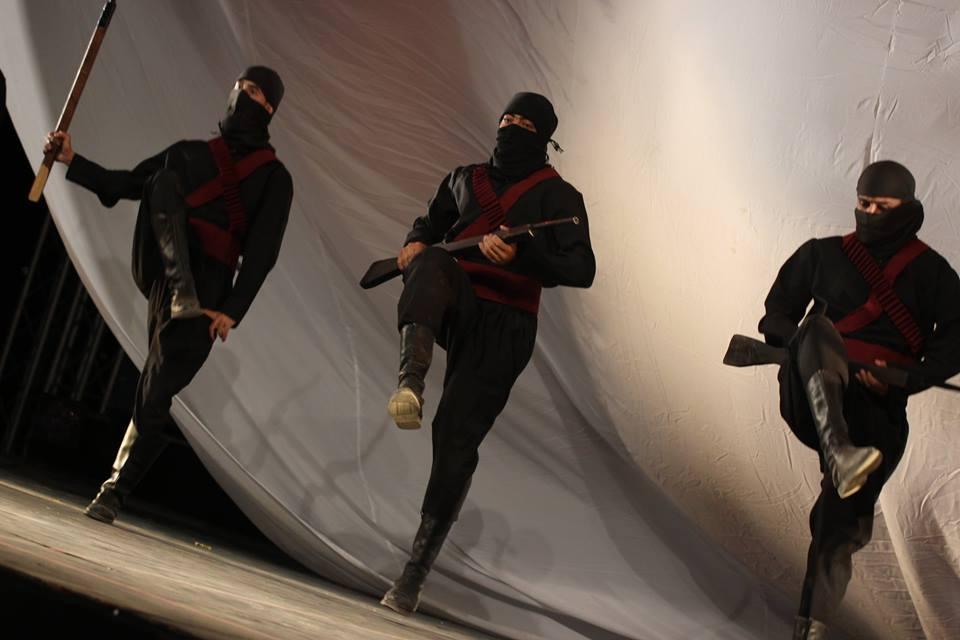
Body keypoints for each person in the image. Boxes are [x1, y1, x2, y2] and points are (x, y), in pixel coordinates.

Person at [44, 66, 293, 524]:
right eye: (240, 85)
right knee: (160, 181)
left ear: (269, 108)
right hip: (163, 270)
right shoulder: (188, 153)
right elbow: (124, 184)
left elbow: (263, 253)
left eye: (254, 90)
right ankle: (181, 291)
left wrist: (232, 311)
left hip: (209, 292)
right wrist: (70, 160)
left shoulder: (274, 178)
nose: (242, 93)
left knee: (156, 385)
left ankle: (115, 489)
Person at [380, 92, 596, 614]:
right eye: (507, 117)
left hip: (507, 324)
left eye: (525, 123)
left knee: (454, 436)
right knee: (431, 263)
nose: (511, 126)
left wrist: (523, 256)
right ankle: (410, 382)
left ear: (544, 137)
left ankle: (413, 575)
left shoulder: (560, 197)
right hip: (459, 301)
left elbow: (582, 269)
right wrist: (415, 241)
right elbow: (430, 225)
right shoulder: (463, 178)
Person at [758, 160, 960, 638]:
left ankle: (810, 629)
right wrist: (801, 346)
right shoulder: (821, 254)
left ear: (906, 208)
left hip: (876, 411)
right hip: (810, 392)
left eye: (881, 207)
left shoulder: (932, 272)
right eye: (863, 204)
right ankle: (839, 451)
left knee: (838, 524)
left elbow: (956, 339)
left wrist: (904, 379)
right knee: (817, 331)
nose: (869, 214)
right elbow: (776, 315)